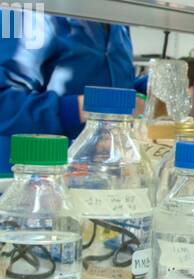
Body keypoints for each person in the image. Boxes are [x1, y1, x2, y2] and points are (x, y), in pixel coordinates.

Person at [0, 12, 142, 170]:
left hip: (99, 174)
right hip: (35, 176)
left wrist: (151, 88)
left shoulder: (116, 19)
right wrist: (84, 107)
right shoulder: (24, 11)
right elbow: (5, 105)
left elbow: (109, 83)